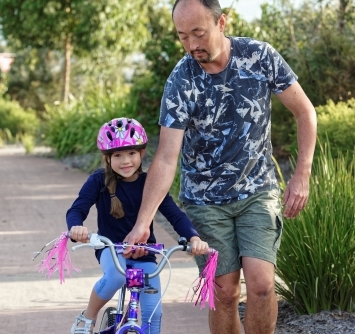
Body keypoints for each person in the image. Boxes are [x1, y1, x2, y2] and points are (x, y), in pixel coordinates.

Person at [123, 0, 318, 333]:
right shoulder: (180, 81)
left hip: (258, 191)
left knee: (261, 284)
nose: (192, 45)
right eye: (183, 36)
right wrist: (143, 221)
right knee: (225, 291)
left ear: (221, 22)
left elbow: (305, 112)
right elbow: (168, 156)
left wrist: (302, 174)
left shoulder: (259, 56)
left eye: (198, 33)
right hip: (205, 200)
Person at [67, 117, 209, 334]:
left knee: (154, 314)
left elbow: (175, 215)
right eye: (117, 155)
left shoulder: (149, 183)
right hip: (112, 249)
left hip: (145, 253)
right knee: (116, 275)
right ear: (107, 158)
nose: (126, 161)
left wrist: (193, 238)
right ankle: (88, 317)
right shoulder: (99, 180)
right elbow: (77, 209)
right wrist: (76, 226)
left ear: (141, 154)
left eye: (132, 153)